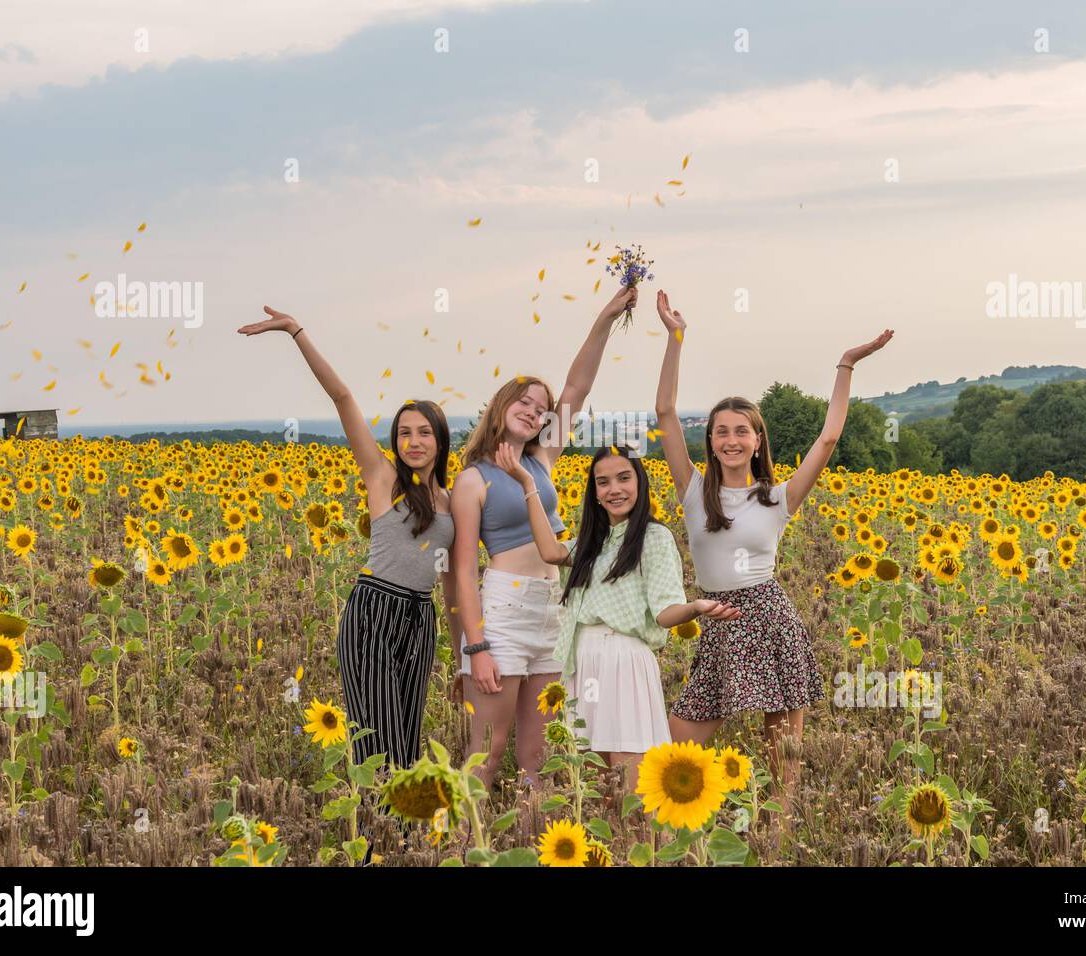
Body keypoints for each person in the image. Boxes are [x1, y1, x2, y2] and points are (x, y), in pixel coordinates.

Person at [652, 289, 893, 791]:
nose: (732, 439)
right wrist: (676, 337)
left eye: (742, 430)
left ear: (758, 440)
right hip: (715, 620)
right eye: (722, 432)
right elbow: (666, 414)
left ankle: (775, 839)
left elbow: (827, 439)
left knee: (782, 756)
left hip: (768, 619)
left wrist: (846, 365)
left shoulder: (778, 498)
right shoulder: (694, 492)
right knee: (676, 747)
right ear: (711, 442)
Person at [237, 307, 459, 775]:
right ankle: (370, 848)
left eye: (424, 433)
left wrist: (464, 654)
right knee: (376, 741)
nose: (413, 441)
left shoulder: (455, 500)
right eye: (404, 433)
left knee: (407, 735)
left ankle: (400, 843)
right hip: (373, 612)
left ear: (441, 441)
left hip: (420, 619)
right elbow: (342, 396)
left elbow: (458, 585)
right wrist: (295, 331)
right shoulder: (382, 476)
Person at [450, 286, 636, 790]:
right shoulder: (472, 480)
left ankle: (533, 846)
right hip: (503, 614)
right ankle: (465, 847)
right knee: (484, 754)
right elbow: (463, 571)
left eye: (541, 408)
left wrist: (606, 317)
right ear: (501, 405)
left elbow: (577, 386)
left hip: (553, 609)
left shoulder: (540, 459)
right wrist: (477, 647)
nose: (534, 411)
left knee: (539, 760)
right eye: (524, 401)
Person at [495, 441, 738, 791]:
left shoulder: (654, 538)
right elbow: (549, 550)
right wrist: (527, 485)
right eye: (603, 482)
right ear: (594, 492)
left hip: (624, 661)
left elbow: (666, 612)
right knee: (594, 782)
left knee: (633, 784)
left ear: (640, 482)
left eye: (624, 478)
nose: (614, 489)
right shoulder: (593, 542)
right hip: (584, 662)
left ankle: (647, 844)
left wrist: (695, 609)